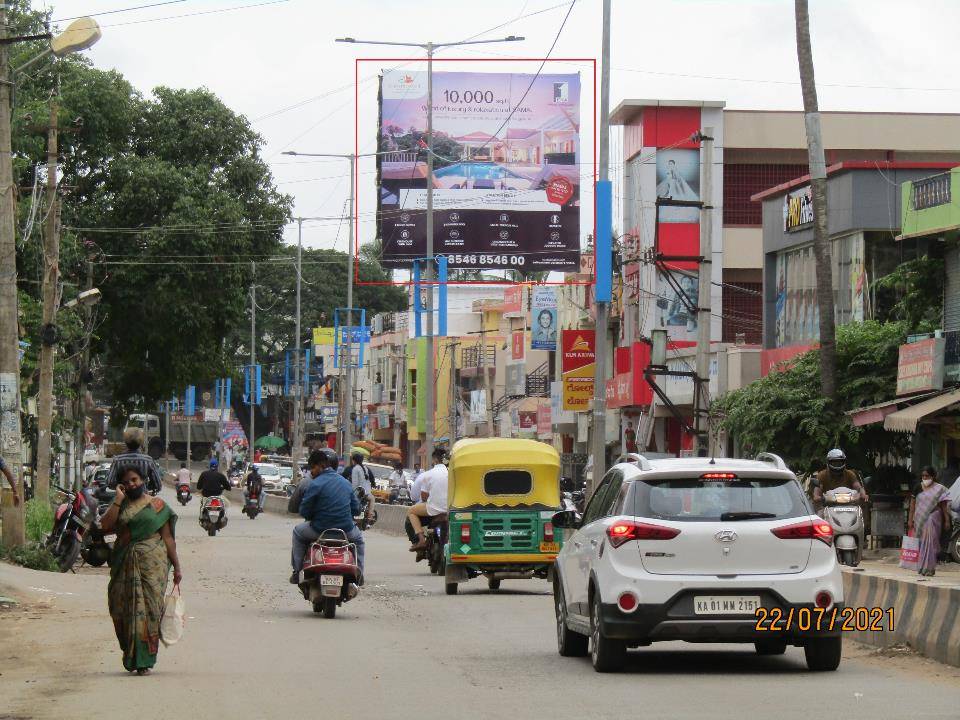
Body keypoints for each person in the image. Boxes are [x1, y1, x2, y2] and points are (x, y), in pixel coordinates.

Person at [99, 464, 181, 675]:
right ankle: (130, 653)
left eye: (134, 480)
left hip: (152, 566)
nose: (131, 484)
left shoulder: (157, 506)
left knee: (150, 611)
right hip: (123, 562)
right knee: (121, 609)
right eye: (126, 482)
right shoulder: (121, 505)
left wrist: (177, 568)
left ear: (143, 480)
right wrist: (117, 499)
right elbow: (105, 526)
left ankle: (144, 660)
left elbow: (168, 539)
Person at [290, 449, 365, 584]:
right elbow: (356, 509)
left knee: (297, 532)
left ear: (320, 466)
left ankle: (297, 571)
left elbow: (304, 511)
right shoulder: (346, 483)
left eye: (312, 468)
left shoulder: (315, 484)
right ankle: (359, 574)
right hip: (346, 531)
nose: (311, 472)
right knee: (359, 541)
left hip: (319, 530)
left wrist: (314, 514)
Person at [908, 466, 951, 577]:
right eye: (923, 476)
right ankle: (922, 566)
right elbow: (912, 505)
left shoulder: (939, 488)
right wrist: (910, 520)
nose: (925, 478)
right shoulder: (918, 487)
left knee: (931, 543)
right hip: (919, 519)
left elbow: (943, 505)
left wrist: (946, 520)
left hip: (934, 517)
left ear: (933, 476)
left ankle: (930, 568)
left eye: (927, 476)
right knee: (922, 543)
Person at [408, 448, 448, 550]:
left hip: (433, 510)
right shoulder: (451, 473)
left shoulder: (428, 474)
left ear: (434, 460)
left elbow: (424, 497)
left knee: (411, 511)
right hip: (450, 510)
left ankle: (421, 540)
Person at [105, 428, 164, 495]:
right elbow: (158, 485)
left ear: (126, 442)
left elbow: (110, 482)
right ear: (141, 442)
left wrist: (122, 487)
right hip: (143, 500)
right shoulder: (148, 460)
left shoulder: (117, 460)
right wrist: (144, 487)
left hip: (123, 500)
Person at [349, 451, 376, 522]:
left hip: (359, 493)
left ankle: (358, 519)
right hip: (367, 492)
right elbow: (370, 479)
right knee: (372, 499)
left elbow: (355, 483)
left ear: (354, 460)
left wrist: (353, 492)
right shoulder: (365, 468)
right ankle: (370, 515)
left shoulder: (355, 469)